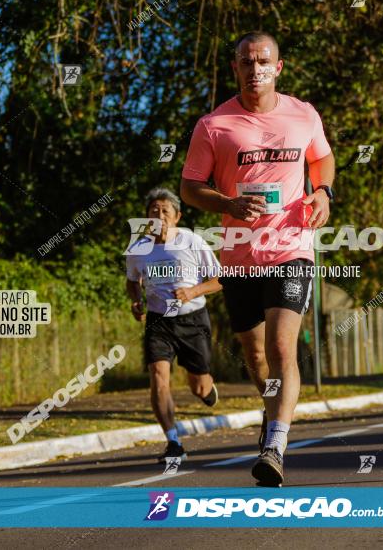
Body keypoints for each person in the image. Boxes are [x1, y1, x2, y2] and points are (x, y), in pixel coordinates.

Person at [180, 31, 336, 486]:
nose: (255, 68)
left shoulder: (303, 115)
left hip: (291, 249)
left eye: (263, 61)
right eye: (246, 62)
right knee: (256, 357)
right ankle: (272, 416)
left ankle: (275, 445)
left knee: (281, 345)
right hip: (240, 258)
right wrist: (227, 204)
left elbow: (321, 160)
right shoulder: (214, 125)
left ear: (278, 67)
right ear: (235, 69)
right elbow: (191, 187)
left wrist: (323, 192)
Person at [125, 188, 222, 463]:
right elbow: (133, 280)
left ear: (177, 216)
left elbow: (220, 278)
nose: (159, 215)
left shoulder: (192, 240)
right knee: (158, 378)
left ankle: (206, 387)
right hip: (158, 321)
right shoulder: (138, 248)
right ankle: (173, 442)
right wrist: (135, 301)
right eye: (154, 210)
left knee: (199, 388)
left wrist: (193, 292)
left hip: (193, 319)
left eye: (165, 210)